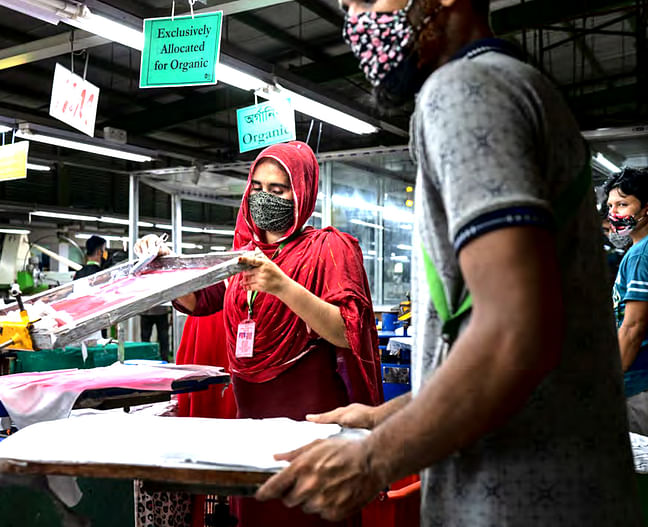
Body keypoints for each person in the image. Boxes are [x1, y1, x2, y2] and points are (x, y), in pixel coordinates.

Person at [256, 0, 640, 525]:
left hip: (515, 501)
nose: (354, 16)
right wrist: (383, 417)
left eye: (367, 0)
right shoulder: (520, 86)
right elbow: (505, 336)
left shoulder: (464, 93)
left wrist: (374, 458)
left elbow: (513, 332)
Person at [137, 140, 381, 527]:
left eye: (278, 190)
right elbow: (201, 299)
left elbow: (348, 333)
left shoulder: (329, 249)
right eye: (258, 188)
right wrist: (161, 266)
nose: (265, 198)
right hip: (250, 425)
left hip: (310, 422)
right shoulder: (242, 257)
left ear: (301, 192)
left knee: (310, 513)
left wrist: (282, 286)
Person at [606, 168, 648, 434]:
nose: (614, 213)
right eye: (610, 206)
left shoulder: (639, 255)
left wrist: (605, 384)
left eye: (623, 204)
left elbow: (633, 328)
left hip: (638, 386)